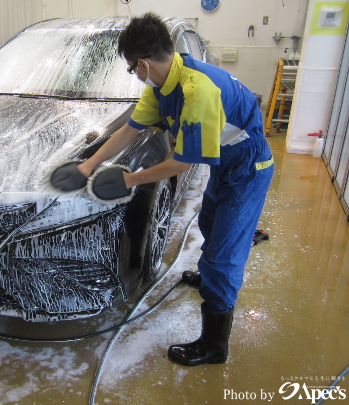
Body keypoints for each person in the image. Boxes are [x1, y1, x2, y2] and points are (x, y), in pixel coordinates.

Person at [48, 12, 274, 366]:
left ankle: (215, 345)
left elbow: (183, 163)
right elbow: (130, 129)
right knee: (210, 224)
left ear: (142, 63)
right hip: (226, 160)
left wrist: (128, 179)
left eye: (131, 68)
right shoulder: (164, 82)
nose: (135, 75)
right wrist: (88, 165)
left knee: (224, 253)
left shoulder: (198, 92)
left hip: (247, 166)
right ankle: (209, 276)